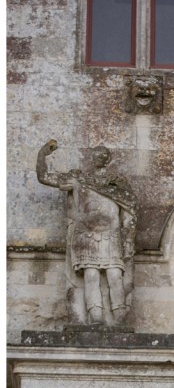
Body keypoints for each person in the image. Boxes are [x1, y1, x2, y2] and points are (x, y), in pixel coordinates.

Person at [36, 139, 137, 324]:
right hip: (86, 234)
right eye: (96, 155)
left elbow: (129, 209)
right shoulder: (79, 180)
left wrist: (128, 237)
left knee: (115, 275)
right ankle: (95, 316)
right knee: (91, 275)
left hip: (111, 235)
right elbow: (44, 177)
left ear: (107, 159)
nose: (98, 158)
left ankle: (118, 315)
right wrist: (43, 154)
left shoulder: (118, 184)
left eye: (102, 155)